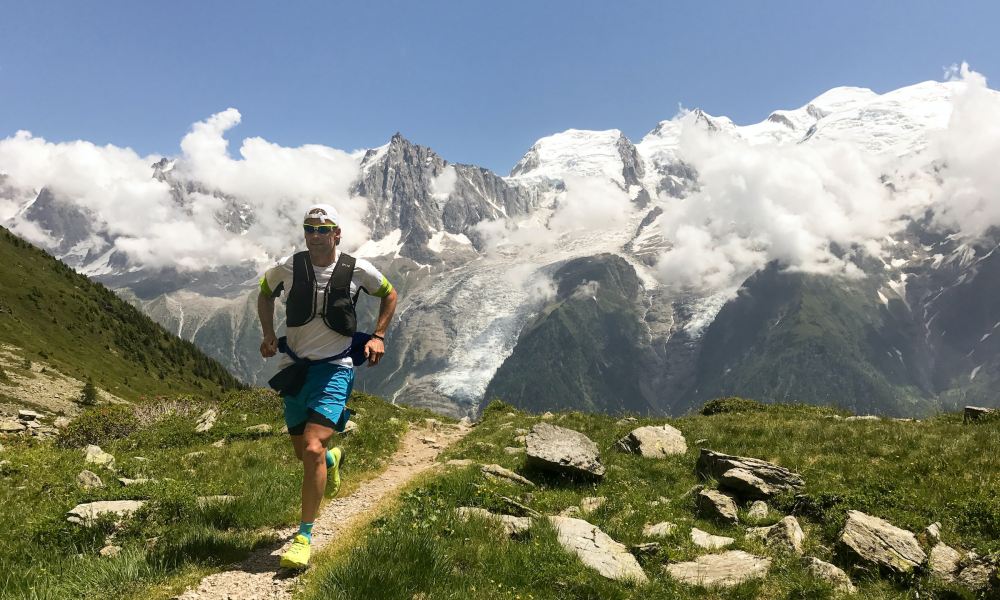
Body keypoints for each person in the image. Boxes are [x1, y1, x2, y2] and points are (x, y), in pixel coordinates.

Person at [257, 203, 397, 570]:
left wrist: (378, 335)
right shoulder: (290, 266)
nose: (315, 235)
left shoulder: (357, 270)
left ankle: (304, 536)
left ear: (337, 233)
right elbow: (264, 291)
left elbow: (389, 293)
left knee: (313, 447)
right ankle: (334, 460)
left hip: (335, 368)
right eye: (310, 228)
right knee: (303, 454)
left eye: (323, 229)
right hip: (295, 368)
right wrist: (269, 334)